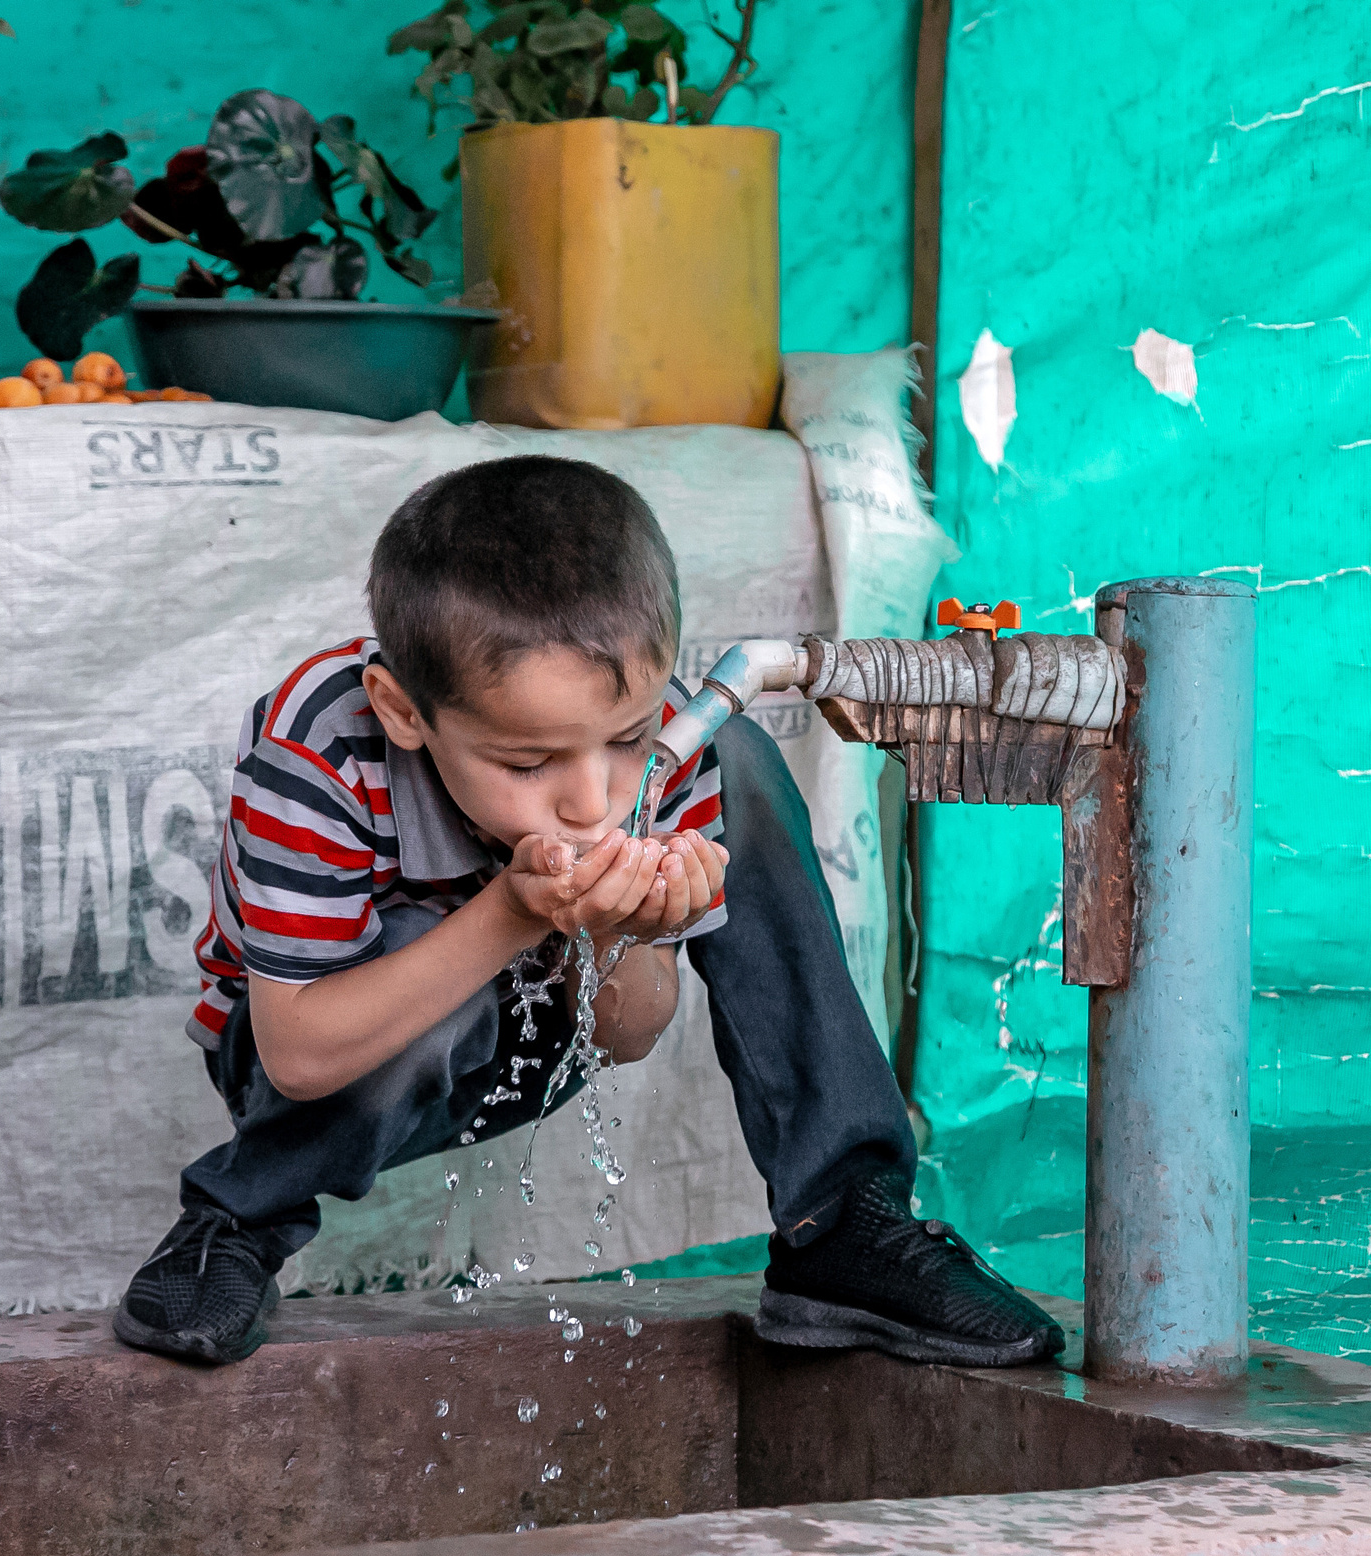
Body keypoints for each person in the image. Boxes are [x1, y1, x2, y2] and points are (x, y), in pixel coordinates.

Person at [113, 455, 1064, 1370]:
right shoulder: (318, 746)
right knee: (412, 958)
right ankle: (233, 1222)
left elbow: (625, 1031)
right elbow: (298, 1051)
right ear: (403, 710)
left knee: (740, 765)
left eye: (626, 739)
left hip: (529, 1042)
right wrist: (513, 914)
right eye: (528, 764)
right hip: (313, 1059)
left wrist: (617, 929)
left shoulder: (671, 744)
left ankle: (843, 1217)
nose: (592, 801)